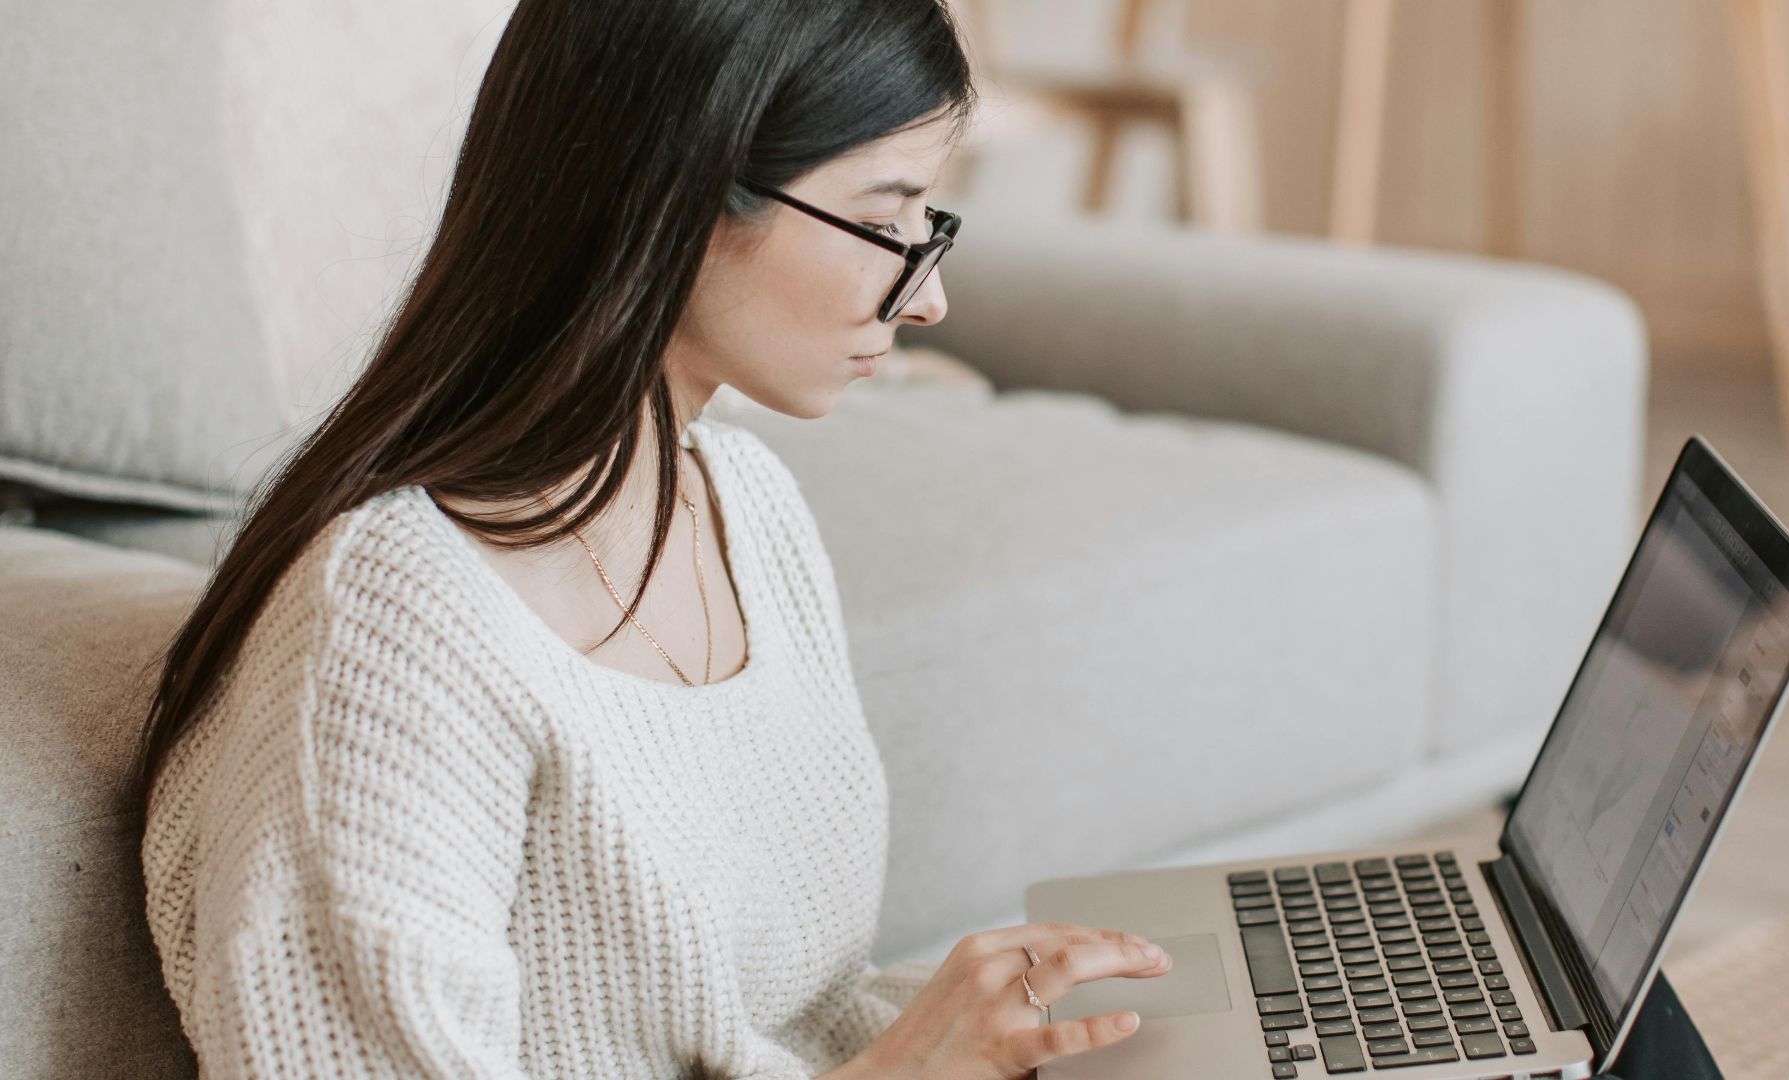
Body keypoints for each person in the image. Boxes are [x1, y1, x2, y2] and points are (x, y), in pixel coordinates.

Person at [134, 1, 1166, 1078]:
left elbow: (763, 1028)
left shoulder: (749, 510)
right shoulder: (392, 624)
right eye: (888, 218)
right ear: (679, 188)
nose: (930, 297)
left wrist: (986, 1023)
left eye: (928, 223)